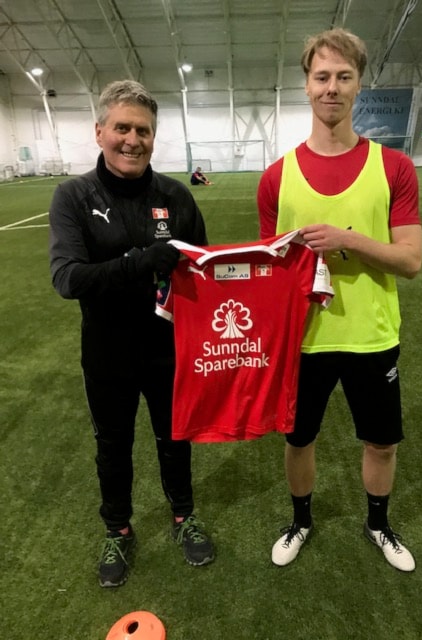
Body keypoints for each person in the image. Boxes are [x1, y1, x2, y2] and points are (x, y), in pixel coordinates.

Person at [257, 28, 422, 573]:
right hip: (303, 340)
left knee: (382, 444)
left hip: (372, 336)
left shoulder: (394, 168)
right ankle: (300, 521)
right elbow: (269, 270)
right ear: (306, 85)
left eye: (344, 77)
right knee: (299, 440)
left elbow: (411, 261)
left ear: (358, 86)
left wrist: (346, 239)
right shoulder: (276, 178)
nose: (332, 87)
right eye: (322, 76)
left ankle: (378, 525)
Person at [49, 79, 215, 588]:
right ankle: (117, 529)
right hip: (107, 352)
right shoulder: (73, 196)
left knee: (175, 437)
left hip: (168, 350)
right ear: (100, 131)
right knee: (113, 445)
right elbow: (68, 279)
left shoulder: (176, 196)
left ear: (153, 138)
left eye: (143, 131)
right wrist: (139, 263)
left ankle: (184, 516)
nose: (132, 140)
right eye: (122, 128)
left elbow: (203, 271)